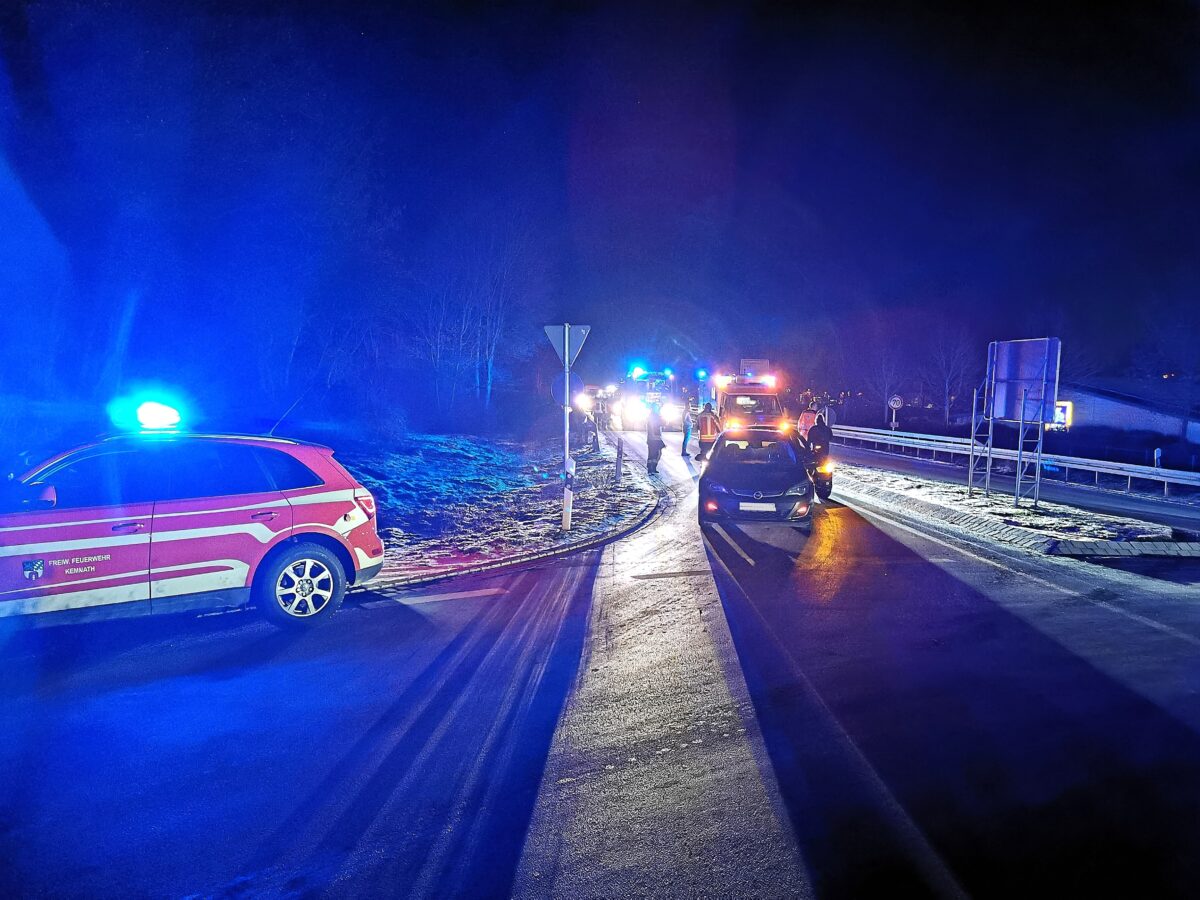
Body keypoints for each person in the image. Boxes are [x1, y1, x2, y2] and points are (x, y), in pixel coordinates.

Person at [645, 403, 665, 474]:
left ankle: (651, 467)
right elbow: (663, 423)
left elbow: (663, 424)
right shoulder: (655, 416)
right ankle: (652, 467)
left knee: (653, 453)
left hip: (654, 437)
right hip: (654, 438)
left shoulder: (652, 416)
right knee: (656, 453)